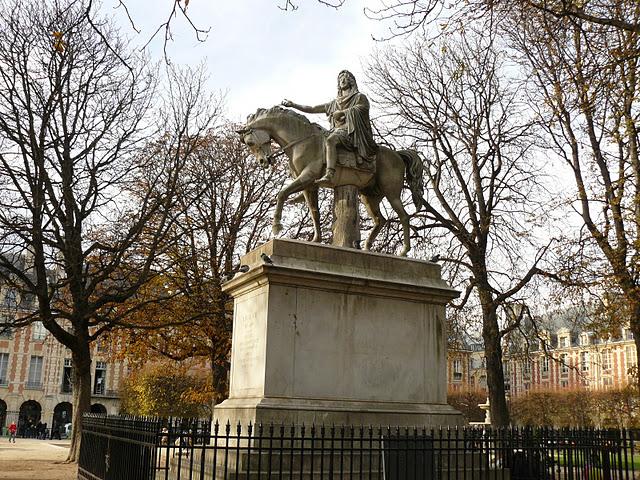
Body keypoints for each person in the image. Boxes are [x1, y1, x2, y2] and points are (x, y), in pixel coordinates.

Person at [282, 70, 378, 183]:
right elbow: (312, 109)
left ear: (351, 81)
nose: (342, 80)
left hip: (350, 132)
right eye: (340, 78)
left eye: (345, 77)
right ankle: (310, 181)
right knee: (317, 141)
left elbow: (362, 110)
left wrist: (344, 112)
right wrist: (294, 105)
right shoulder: (334, 103)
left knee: (330, 141)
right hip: (336, 131)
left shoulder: (359, 97)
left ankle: (330, 173)